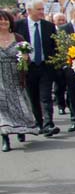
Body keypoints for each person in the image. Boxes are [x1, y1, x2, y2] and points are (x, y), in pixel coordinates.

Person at [14, 0, 60, 136]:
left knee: (45, 97)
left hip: (45, 67)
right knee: (33, 97)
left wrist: (55, 63)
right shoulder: (18, 26)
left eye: (42, 9)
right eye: (38, 9)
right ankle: (40, 123)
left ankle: (48, 124)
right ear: (29, 11)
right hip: (28, 68)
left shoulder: (49, 26)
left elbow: (54, 46)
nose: (42, 12)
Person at [0, 9, 40, 151]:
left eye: (6, 19)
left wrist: (25, 58)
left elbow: (27, 59)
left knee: (19, 106)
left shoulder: (18, 38)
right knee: (2, 108)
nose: (3, 22)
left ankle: (20, 129)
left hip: (16, 78)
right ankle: (5, 137)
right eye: (1, 20)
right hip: (0, 79)